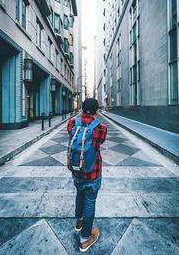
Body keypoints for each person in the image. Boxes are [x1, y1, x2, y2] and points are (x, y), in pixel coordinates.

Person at [67, 98, 107, 252]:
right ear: (97, 111)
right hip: (93, 171)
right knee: (90, 200)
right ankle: (85, 239)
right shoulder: (101, 128)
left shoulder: (72, 124)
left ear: (82, 109)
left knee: (79, 193)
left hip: (76, 170)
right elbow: (98, 144)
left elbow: (72, 135)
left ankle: (79, 223)